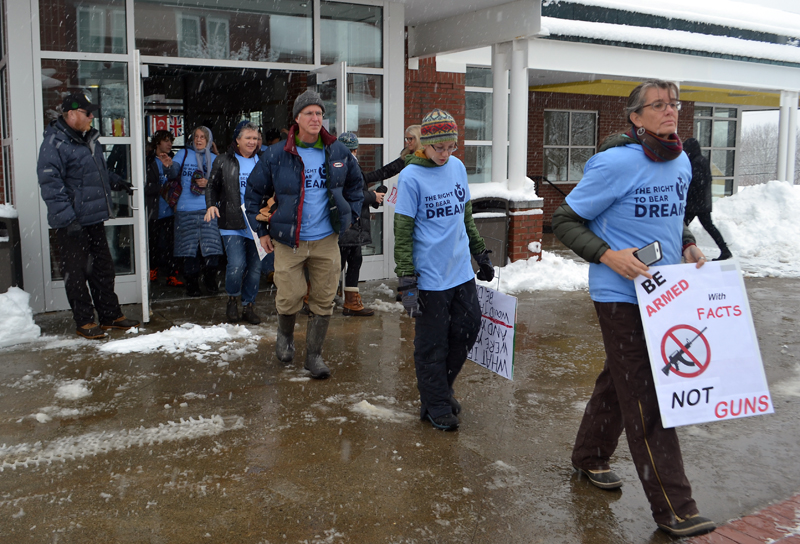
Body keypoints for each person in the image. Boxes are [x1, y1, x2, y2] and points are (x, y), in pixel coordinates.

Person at [551, 80, 716, 538]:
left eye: (674, 104)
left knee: (622, 380)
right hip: (619, 294)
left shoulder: (680, 159)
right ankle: (676, 508)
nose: (670, 111)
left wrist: (685, 242)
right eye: (658, 105)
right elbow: (565, 218)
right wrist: (608, 254)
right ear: (636, 117)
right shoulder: (613, 164)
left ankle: (589, 455)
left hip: (666, 294)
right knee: (647, 396)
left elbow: (672, 214)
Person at [245, 89, 364, 379]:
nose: (315, 118)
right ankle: (284, 337)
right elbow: (253, 193)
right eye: (309, 113)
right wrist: (260, 230)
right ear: (297, 118)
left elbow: (356, 186)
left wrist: (351, 215)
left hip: (326, 239)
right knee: (290, 296)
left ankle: (314, 356)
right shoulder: (276, 154)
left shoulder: (337, 151)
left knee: (324, 298)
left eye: (319, 113)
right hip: (289, 240)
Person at [393, 109, 494, 431]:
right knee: (432, 344)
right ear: (425, 144)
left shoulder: (458, 168)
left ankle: (439, 390)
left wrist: (480, 253)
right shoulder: (411, 177)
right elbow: (403, 232)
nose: (446, 154)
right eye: (440, 148)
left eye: (451, 147)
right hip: (430, 278)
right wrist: (407, 282)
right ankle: (436, 402)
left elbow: (465, 218)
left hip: (460, 271)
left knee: (467, 331)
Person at [37, 92, 140, 339]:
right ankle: (84, 321)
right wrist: (68, 219)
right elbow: (51, 184)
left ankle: (110, 316)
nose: (92, 117)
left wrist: (116, 182)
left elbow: (95, 174)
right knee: (76, 275)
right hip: (71, 223)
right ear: (71, 113)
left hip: (93, 219)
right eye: (87, 113)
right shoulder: (54, 143)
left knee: (103, 269)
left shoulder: (89, 139)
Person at [205, 121, 263, 324]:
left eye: (255, 138)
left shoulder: (263, 160)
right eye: (248, 138)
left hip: (257, 223)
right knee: (237, 265)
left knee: (255, 268)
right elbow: (211, 186)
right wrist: (211, 205)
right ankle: (232, 298)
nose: (252, 142)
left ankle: (249, 305)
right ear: (237, 140)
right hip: (231, 221)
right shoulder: (223, 160)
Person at [335, 131, 396, 316]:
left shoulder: (350, 165)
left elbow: (372, 178)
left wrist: (402, 160)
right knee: (337, 264)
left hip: (355, 223)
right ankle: (317, 299)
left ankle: (351, 302)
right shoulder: (339, 166)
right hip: (347, 224)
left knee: (354, 260)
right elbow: (346, 195)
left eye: (353, 149)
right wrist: (372, 196)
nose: (353, 152)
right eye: (351, 149)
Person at [172, 126, 223, 297]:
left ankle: (210, 282)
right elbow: (172, 172)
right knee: (189, 250)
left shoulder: (216, 159)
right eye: (196, 136)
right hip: (185, 210)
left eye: (203, 137)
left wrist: (209, 182)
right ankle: (192, 285)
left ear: (209, 140)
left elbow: (223, 185)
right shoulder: (183, 154)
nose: (199, 140)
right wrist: (167, 166)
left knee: (211, 249)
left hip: (209, 209)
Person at [144, 130, 182, 287]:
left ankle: (171, 274)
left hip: (169, 209)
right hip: (154, 210)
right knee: (152, 243)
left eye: (171, 141)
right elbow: (144, 186)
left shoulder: (172, 160)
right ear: (157, 143)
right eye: (166, 140)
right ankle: (152, 271)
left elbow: (177, 180)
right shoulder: (148, 161)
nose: (169, 144)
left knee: (170, 244)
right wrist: (160, 187)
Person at [683, 137, 732, 261]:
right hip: (701, 203)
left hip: (696, 204)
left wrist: (687, 194)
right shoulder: (700, 160)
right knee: (708, 227)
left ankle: (681, 248)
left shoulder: (697, 162)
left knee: (680, 225)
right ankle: (725, 249)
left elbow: (697, 183)